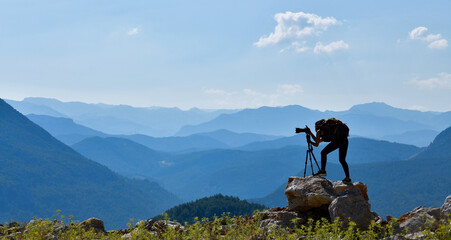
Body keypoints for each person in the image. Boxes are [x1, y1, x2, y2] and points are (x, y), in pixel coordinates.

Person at [307, 118, 351, 183]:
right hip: (344, 141)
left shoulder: (320, 131)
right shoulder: (330, 130)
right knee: (342, 160)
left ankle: (323, 170)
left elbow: (316, 143)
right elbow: (318, 140)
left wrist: (310, 139)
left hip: (336, 142)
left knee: (323, 153)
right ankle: (347, 178)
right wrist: (310, 135)